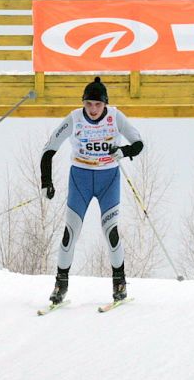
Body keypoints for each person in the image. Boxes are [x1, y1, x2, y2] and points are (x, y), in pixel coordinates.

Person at [40, 77, 144, 304]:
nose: (94, 109)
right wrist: (46, 182)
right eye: (89, 104)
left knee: (111, 232)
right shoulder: (75, 118)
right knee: (70, 233)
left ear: (105, 104)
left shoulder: (115, 116)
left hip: (109, 180)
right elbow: (49, 150)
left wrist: (123, 151)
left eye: (98, 104)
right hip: (81, 179)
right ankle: (60, 284)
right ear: (83, 104)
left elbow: (138, 143)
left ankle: (119, 282)